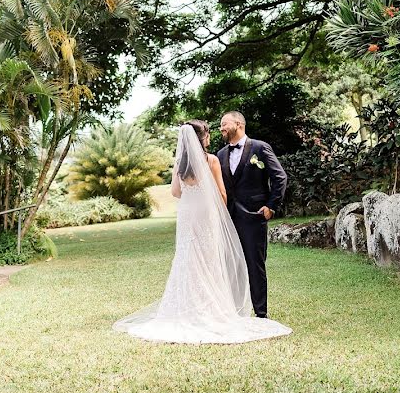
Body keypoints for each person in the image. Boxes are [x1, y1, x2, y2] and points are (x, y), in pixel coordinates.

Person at [113, 121, 291, 344]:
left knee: (187, 259)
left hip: (187, 214)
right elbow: (222, 194)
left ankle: (187, 309)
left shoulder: (180, 163)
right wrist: (218, 211)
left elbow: (175, 192)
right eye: (207, 134)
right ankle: (213, 309)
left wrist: (192, 195)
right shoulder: (212, 160)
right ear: (201, 137)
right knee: (208, 260)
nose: (210, 137)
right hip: (206, 214)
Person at [216, 111, 287, 318]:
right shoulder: (220, 155)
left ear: (238, 124)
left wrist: (271, 206)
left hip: (254, 216)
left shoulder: (260, 148)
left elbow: (280, 177)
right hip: (229, 219)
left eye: (224, 124)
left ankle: (261, 314)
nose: (221, 128)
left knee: (255, 266)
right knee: (231, 266)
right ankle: (236, 312)